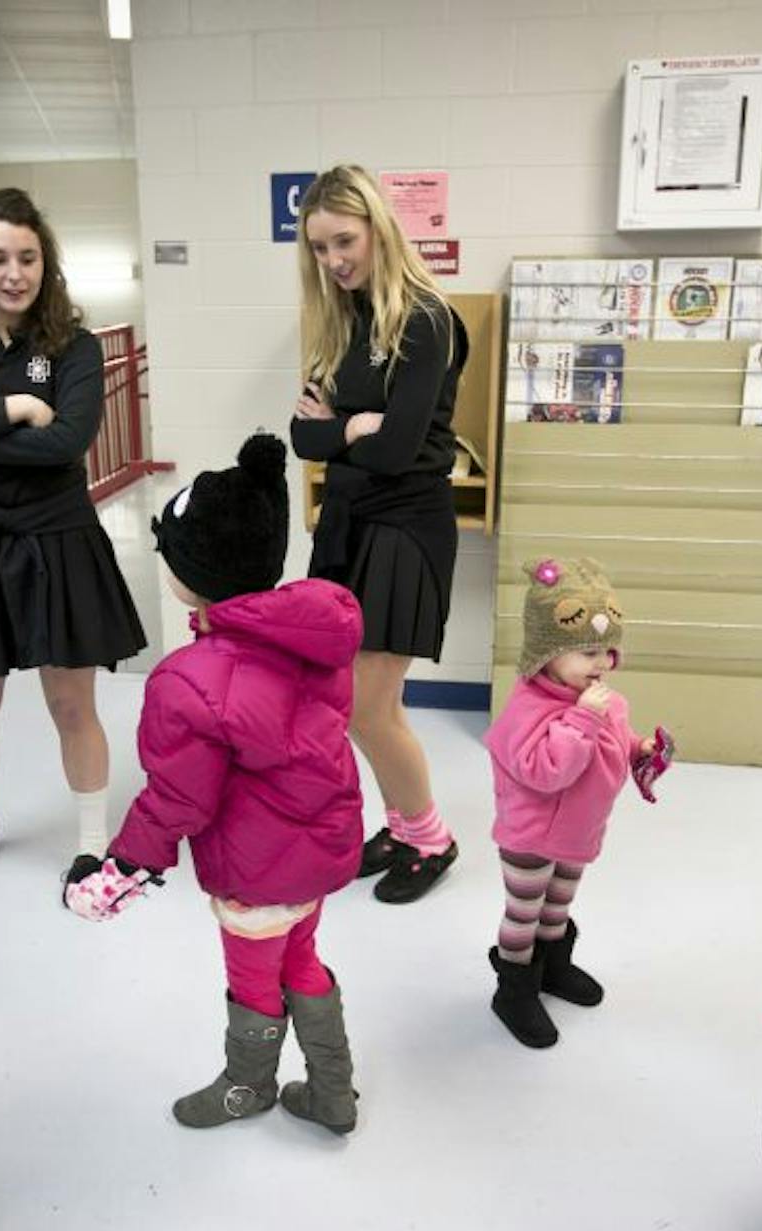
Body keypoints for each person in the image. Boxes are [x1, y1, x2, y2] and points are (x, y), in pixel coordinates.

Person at [65, 434, 364, 1136]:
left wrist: (125, 865)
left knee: (254, 977)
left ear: (190, 571)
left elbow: (179, 797)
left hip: (257, 868)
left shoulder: (188, 680)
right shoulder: (308, 641)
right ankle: (334, 1092)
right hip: (316, 852)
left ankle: (247, 1087)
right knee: (303, 956)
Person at [0, 188, 147, 895]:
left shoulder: (73, 347)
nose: (14, 272)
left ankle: (92, 843)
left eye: (28, 257)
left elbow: (68, 442)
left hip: (58, 538)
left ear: (47, 261)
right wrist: (14, 409)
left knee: (72, 705)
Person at [289, 163, 468, 905]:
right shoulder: (346, 319)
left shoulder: (425, 319)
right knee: (355, 702)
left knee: (370, 705)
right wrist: (350, 427)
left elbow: (397, 452)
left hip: (404, 529)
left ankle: (430, 836)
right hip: (351, 524)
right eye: (320, 249)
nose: (334, 261)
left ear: (377, 227)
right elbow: (303, 437)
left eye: (344, 241)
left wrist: (343, 428)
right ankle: (400, 821)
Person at [483, 558, 671, 1048]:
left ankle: (553, 967)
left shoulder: (604, 700)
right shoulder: (528, 709)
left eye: (607, 651)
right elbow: (547, 772)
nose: (601, 664)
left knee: (557, 907)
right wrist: (583, 721)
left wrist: (640, 749)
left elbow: (616, 742)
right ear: (547, 653)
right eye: (587, 652)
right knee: (525, 913)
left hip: (578, 833)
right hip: (530, 835)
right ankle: (514, 988)